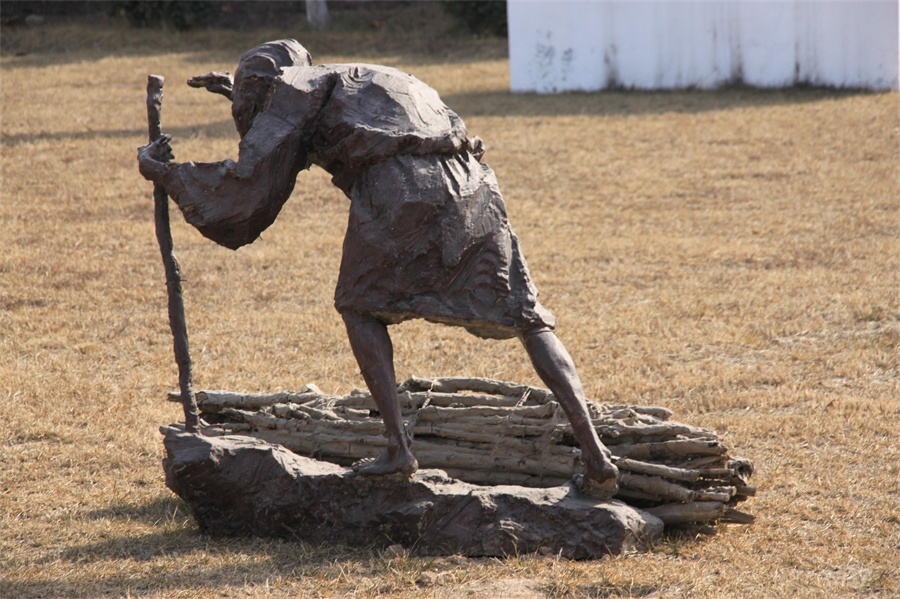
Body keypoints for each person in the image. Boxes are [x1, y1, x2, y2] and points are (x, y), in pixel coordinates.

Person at [138, 40, 619, 495]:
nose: (244, 114)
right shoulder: (353, 78)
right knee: (529, 319)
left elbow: (250, 184)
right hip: (473, 186)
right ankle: (597, 457)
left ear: (265, 87)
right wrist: (242, 93)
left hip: (403, 191)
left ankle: (398, 450)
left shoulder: (292, 91)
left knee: (359, 307)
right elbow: (302, 120)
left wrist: (168, 174)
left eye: (247, 102)